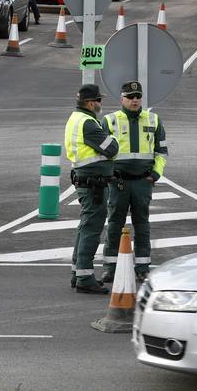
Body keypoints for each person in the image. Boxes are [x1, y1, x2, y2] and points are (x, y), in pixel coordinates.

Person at [101, 80, 168, 283]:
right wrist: (109, 175)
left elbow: (162, 151)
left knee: (142, 224)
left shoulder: (154, 120)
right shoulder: (110, 121)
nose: (135, 100)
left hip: (142, 182)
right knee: (114, 224)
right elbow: (101, 153)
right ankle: (110, 267)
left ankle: (142, 266)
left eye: (138, 96)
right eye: (130, 97)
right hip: (119, 182)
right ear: (122, 99)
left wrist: (154, 175)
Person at [66, 84, 118, 293]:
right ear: (89, 103)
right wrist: (111, 138)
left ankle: (77, 272)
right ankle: (85, 278)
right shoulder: (88, 124)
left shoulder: (75, 118)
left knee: (85, 226)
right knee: (91, 228)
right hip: (93, 182)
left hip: (86, 180)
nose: (100, 104)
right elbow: (112, 149)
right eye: (98, 100)